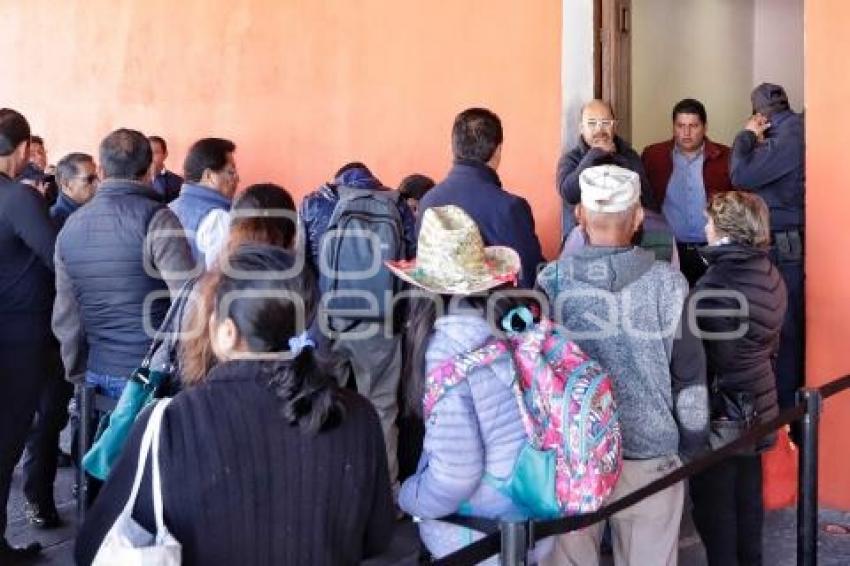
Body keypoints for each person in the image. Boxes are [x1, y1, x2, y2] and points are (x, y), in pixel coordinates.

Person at [75, 244, 394, 566]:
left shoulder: (171, 423)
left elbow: (94, 546)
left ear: (227, 332)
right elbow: (377, 537)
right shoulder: (358, 415)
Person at [537, 164, 708, 566]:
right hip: (651, 457)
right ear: (636, 219)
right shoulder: (669, 284)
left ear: (580, 216)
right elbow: (690, 377)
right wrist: (691, 446)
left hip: (573, 457)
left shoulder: (552, 282)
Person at [393, 205, 546, 562]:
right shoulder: (514, 327)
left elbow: (456, 474)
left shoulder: (446, 352)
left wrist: (407, 495)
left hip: (481, 535)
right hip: (531, 515)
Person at [689, 191, 787, 566]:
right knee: (747, 502)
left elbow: (709, 360)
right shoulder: (768, 271)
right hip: (759, 400)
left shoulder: (717, 286)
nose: (704, 227)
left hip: (725, 412)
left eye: (709, 221)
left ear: (725, 231)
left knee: (716, 513)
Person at [19, 152, 97, 531]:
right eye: (88, 180)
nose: (95, 186)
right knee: (47, 422)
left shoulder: (80, 219)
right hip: (55, 340)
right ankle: (38, 500)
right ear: (66, 185)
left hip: (70, 337)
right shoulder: (58, 225)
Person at [0, 108, 57, 563]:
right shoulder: (17, 198)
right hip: (16, 336)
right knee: (7, 439)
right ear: (20, 150)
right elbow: (57, 257)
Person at [730, 83, 805, 412]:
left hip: (783, 244)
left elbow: (740, 174)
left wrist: (746, 136)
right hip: (786, 242)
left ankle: (786, 416)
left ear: (760, 115)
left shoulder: (788, 137)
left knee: (781, 332)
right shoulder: (791, 132)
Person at [417, 107, 544, 289]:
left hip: (436, 314)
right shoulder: (510, 207)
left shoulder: (428, 201)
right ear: (498, 150)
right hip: (493, 314)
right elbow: (530, 276)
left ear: (453, 147)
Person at [642, 98, 733, 286]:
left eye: (693, 126)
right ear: (673, 126)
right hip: (668, 248)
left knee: (710, 307)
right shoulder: (653, 156)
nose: (686, 133)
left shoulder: (726, 157)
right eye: (680, 125)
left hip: (712, 249)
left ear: (705, 127)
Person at [556, 100, 655, 237]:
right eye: (591, 123)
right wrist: (594, 155)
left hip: (626, 238)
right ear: (581, 128)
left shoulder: (629, 155)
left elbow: (647, 199)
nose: (599, 130)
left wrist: (616, 159)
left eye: (605, 123)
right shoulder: (571, 159)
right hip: (582, 240)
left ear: (615, 126)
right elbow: (569, 194)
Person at [169, 137, 239, 269]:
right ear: (209, 176)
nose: (237, 178)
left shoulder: (169, 208)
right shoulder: (217, 218)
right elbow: (221, 278)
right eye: (231, 172)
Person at [49, 152, 98, 229]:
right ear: (66, 184)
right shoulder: (55, 221)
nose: (97, 184)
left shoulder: (93, 209)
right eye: (90, 179)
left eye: (97, 177)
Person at [149, 136, 183, 203]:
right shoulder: (137, 180)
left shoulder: (178, 182)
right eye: (148, 153)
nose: (150, 157)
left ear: (165, 154)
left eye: (155, 152)